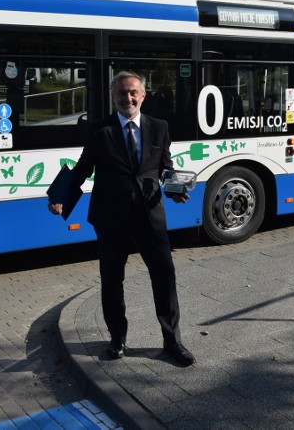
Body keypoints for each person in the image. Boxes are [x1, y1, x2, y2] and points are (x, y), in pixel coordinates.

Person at [47, 71, 195, 367]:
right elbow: (82, 169)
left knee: (164, 276)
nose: (127, 98)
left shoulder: (159, 127)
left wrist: (175, 189)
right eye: (121, 93)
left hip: (150, 215)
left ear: (143, 95)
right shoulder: (99, 130)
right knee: (112, 280)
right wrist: (61, 197)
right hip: (111, 217)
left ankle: (172, 341)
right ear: (114, 97)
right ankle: (117, 340)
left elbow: (165, 167)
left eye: (132, 93)